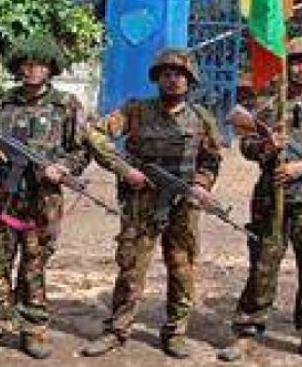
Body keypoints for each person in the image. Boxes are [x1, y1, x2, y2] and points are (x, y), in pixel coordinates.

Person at [78, 48, 225, 359]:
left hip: (183, 204)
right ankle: (117, 330)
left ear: (190, 81)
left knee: (182, 268)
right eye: (167, 74)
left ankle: (176, 332)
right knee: (131, 268)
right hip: (141, 204)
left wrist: (200, 185)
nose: (173, 80)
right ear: (157, 78)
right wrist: (125, 169)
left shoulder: (201, 118)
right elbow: (94, 135)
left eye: (180, 75)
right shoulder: (135, 111)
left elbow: (211, 159)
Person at [218, 36, 302, 365]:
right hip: (272, 197)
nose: (301, 68)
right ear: (286, 65)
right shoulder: (268, 103)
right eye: (295, 61)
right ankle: (248, 331)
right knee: (263, 266)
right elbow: (246, 144)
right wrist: (268, 147)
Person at [0, 37, 88, 360]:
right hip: (4, 195)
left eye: (39, 64)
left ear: (50, 67)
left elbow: (81, 149)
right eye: (26, 64)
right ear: (17, 67)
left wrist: (63, 167)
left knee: (34, 265)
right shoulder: (0, 103)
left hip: (43, 199)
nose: (32, 69)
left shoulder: (67, 105)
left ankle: (32, 329)